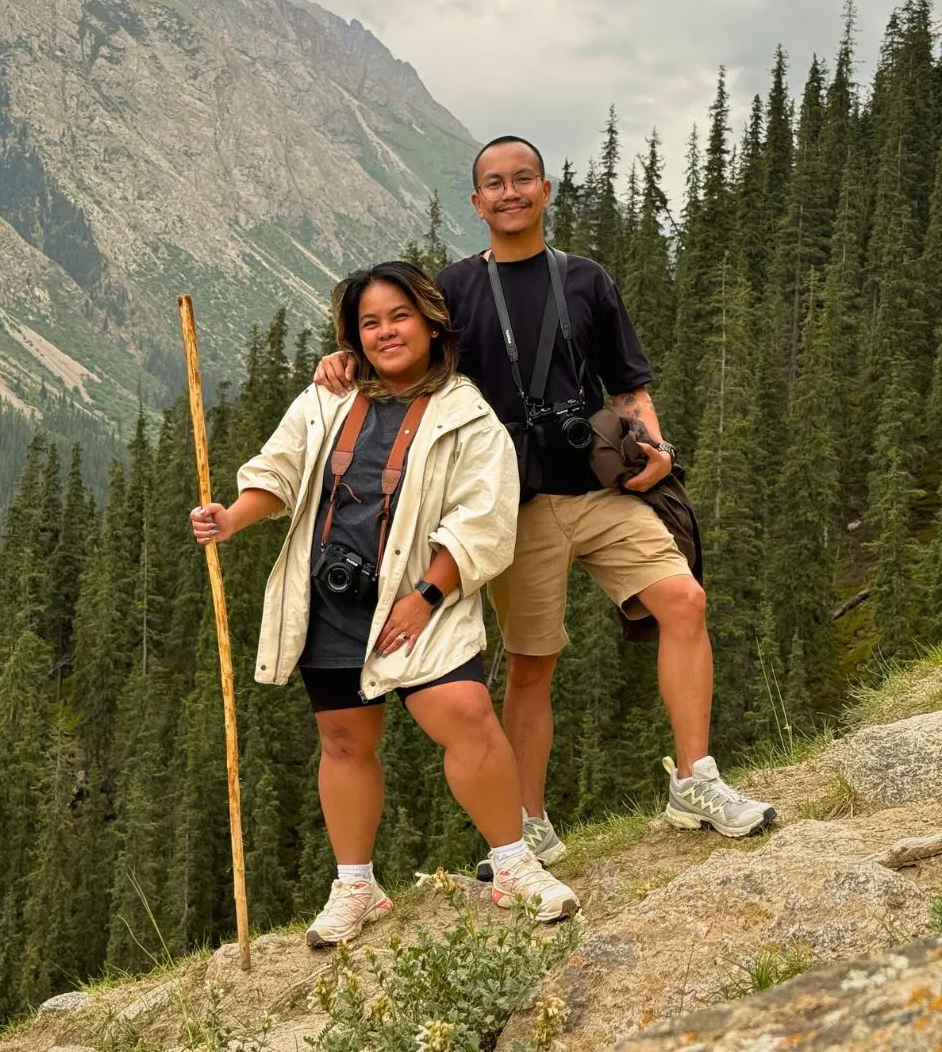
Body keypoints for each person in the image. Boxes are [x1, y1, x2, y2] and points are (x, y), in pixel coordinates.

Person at [315, 139, 776, 868]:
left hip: (601, 491)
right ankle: (529, 822)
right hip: (511, 507)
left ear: (545, 190)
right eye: (493, 184)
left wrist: (654, 453)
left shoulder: (587, 280)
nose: (509, 193)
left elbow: (629, 388)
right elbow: (399, 352)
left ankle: (696, 780)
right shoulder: (454, 290)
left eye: (522, 179)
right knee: (532, 664)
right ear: (476, 202)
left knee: (684, 601)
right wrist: (345, 357)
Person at [191, 260, 579, 948]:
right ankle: (356, 886)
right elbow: (279, 472)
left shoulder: (467, 415)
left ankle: (515, 865)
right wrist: (231, 517)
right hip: (330, 598)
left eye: (399, 316)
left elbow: (482, 519)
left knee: (465, 715)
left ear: (431, 322)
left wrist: (426, 597)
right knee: (343, 741)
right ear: (352, 336)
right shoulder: (324, 402)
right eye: (369, 322)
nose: (386, 332)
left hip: (422, 598)